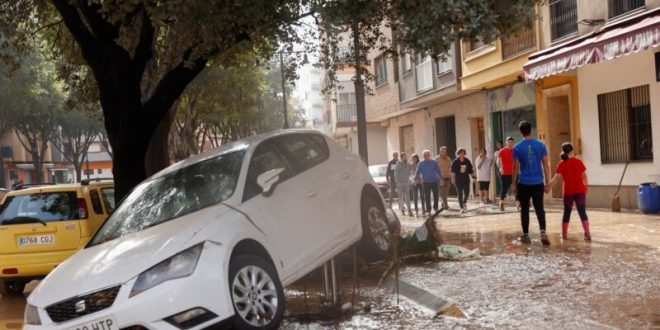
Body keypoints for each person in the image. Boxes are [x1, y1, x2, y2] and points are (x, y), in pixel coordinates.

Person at [512, 121, 551, 245]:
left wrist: (514, 184)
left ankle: (526, 235)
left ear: (521, 132)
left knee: (524, 209)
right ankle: (543, 232)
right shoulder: (540, 145)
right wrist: (548, 183)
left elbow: (516, 167)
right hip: (538, 182)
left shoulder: (517, 147)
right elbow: (546, 165)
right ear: (531, 130)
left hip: (524, 183)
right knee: (539, 208)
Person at [546, 142, 591, 241]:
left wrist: (549, 186)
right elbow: (584, 176)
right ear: (572, 150)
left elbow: (557, 178)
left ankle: (564, 235)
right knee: (582, 212)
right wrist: (586, 187)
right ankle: (587, 233)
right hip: (580, 190)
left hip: (568, 191)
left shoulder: (561, 164)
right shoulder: (578, 162)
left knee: (567, 212)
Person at [414, 150, 442, 214]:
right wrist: (415, 179)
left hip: (434, 181)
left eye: (427, 155)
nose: (426, 156)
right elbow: (417, 172)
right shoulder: (421, 163)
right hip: (425, 182)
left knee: (436, 196)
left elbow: (438, 170)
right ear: (423, 156)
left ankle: (435, 208)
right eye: (424, 155)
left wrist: (441, 179)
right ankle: (429, 210)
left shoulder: (434, 162)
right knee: (427, 197)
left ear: (429, 156)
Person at [451, 148, 474, 213]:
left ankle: (464, 203)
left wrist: (473, 177)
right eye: (461, 153)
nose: (462, 154)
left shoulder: (467, 161)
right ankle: (461, 207)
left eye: (463, 153)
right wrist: (452, 179)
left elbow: (470, 170)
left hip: (466, 179)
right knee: (460, 194)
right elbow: (452, 172)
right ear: (458, 154)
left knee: (467, 193)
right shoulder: (455, 161)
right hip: (458, 180)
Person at [498, 137, 516, 211]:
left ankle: (518, 203)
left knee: (516, 188)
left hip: (514, 173)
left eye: (511, 142)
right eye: (509, 142)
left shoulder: (515, 151)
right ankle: (501, 203)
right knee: (504, 189)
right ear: (506, 143)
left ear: (513, 143)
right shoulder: (502, 151)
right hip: (505, 173)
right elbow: (499, 161)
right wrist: (500, 168)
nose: (510, 144)